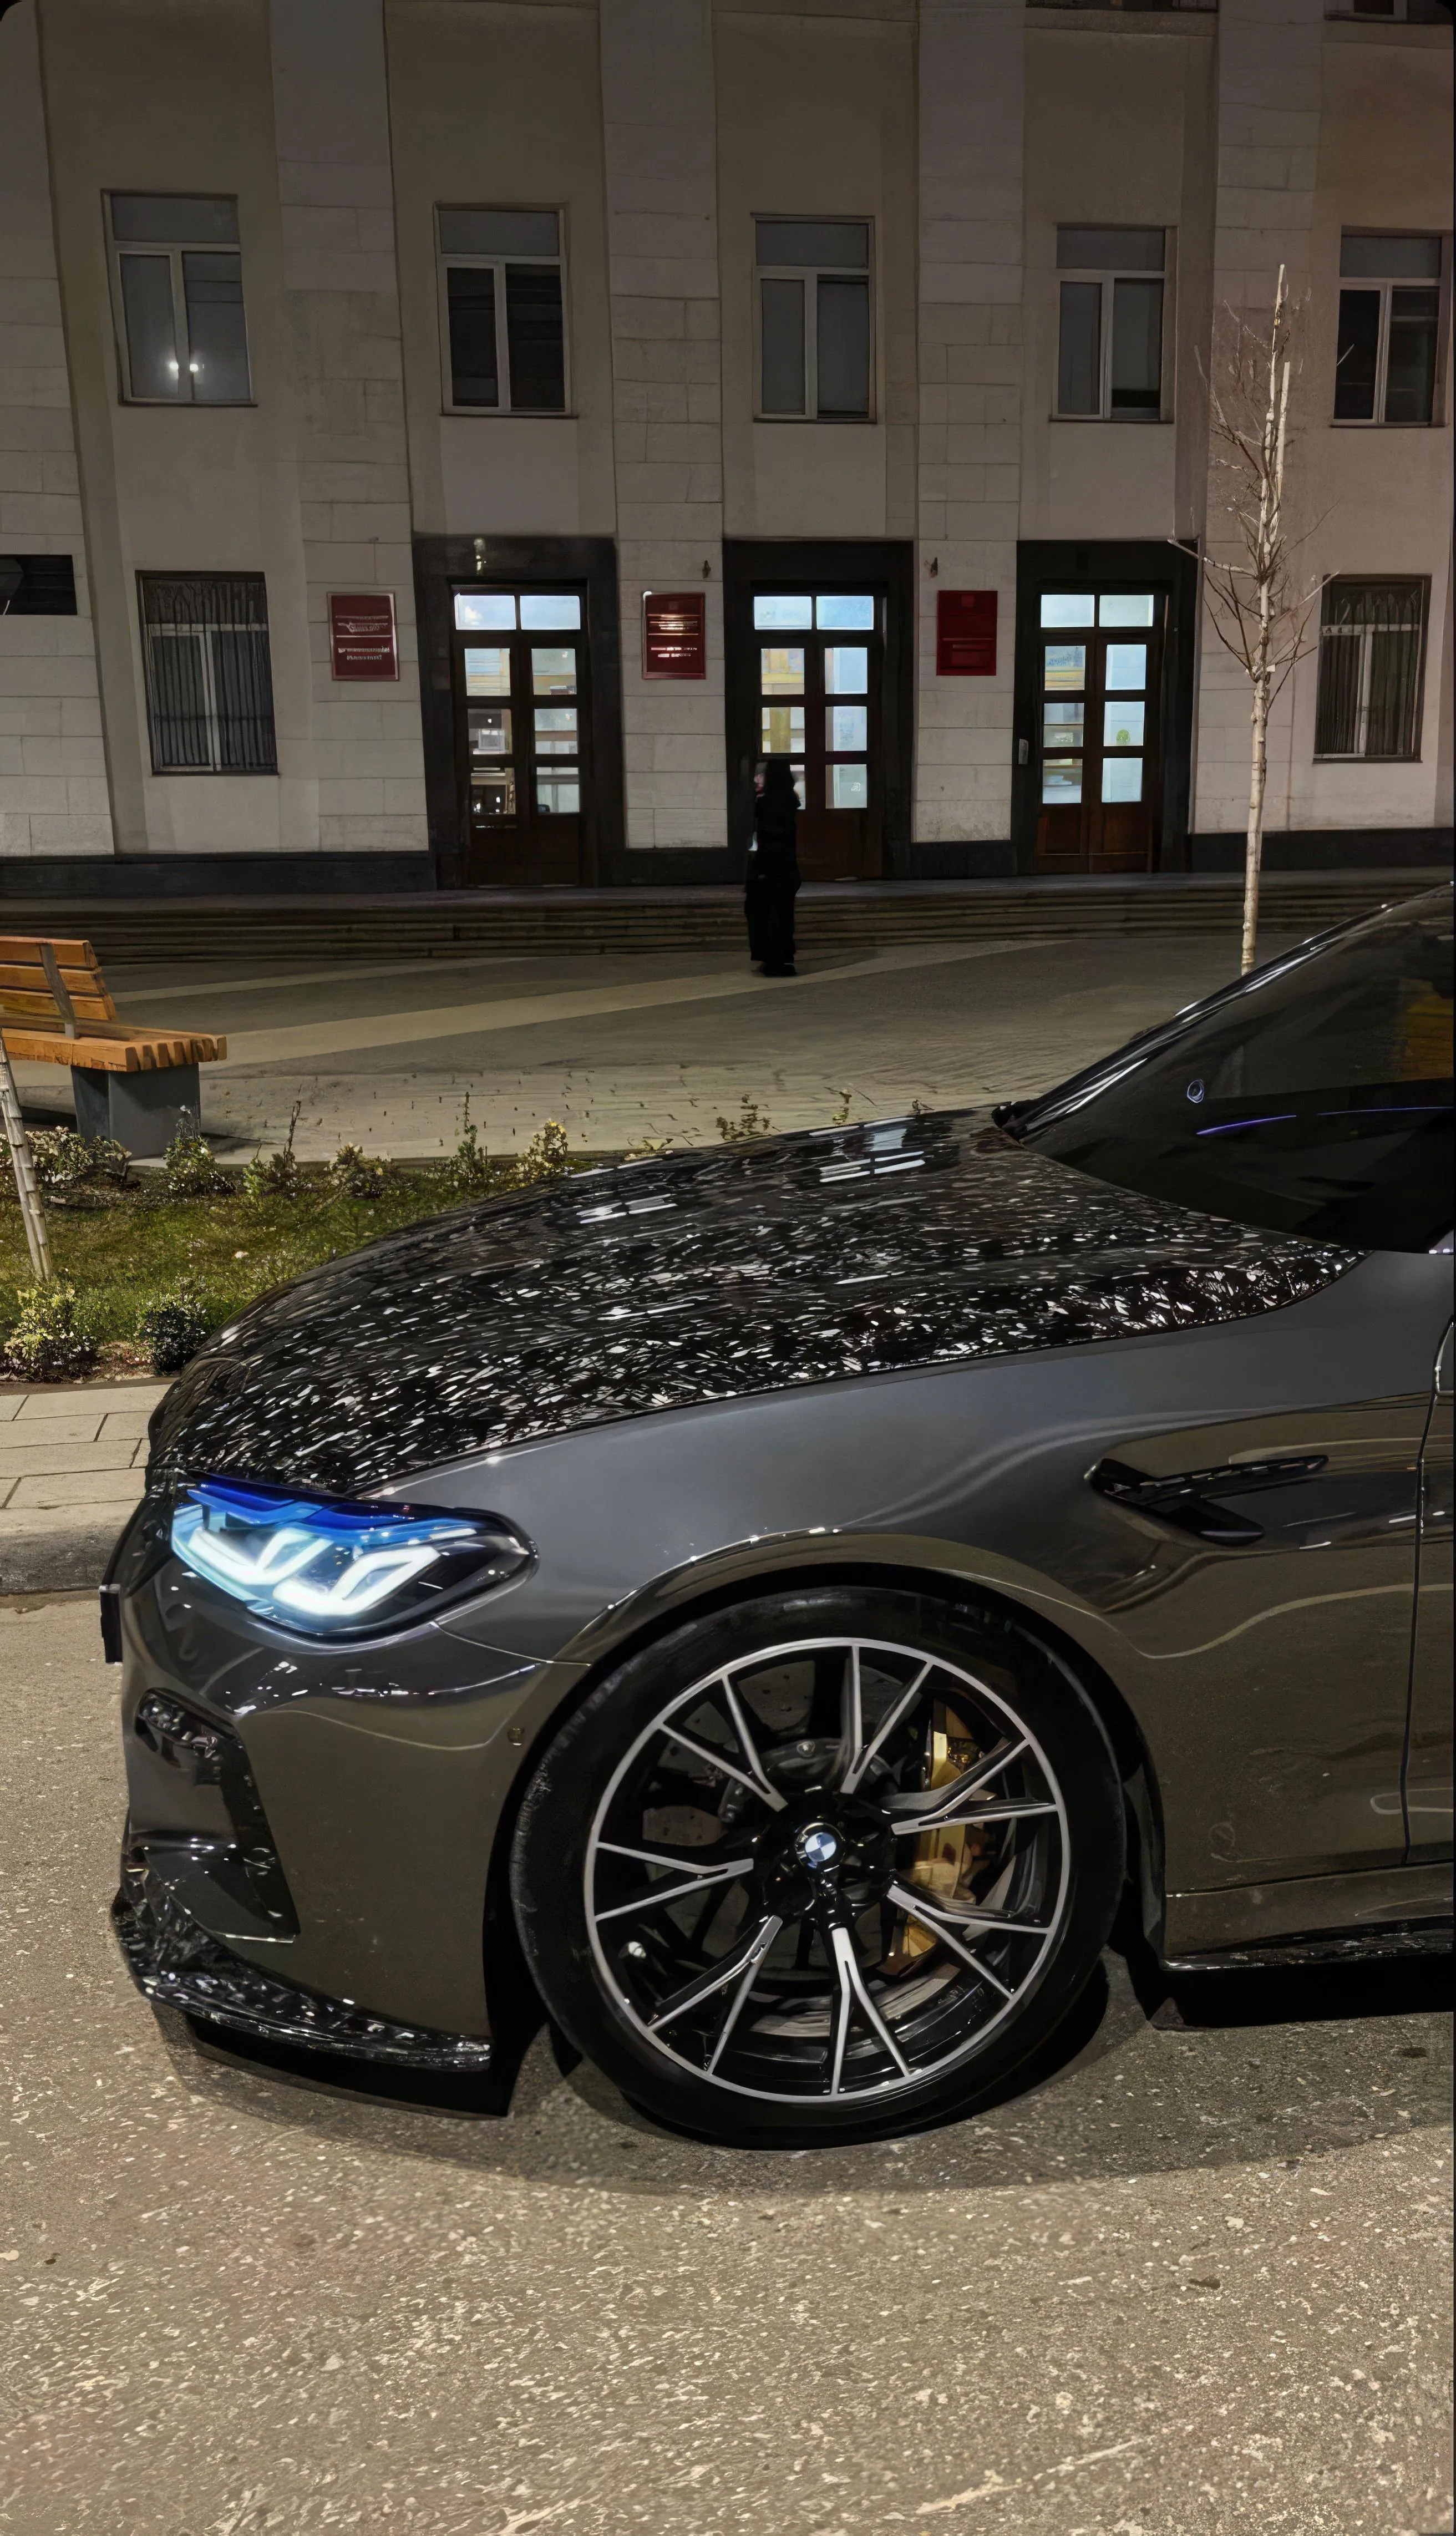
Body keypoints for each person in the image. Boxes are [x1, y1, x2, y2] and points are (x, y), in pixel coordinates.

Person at [744, 755, 800, 977]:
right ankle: (783, 957)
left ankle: (773, 958)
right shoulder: (791, 800)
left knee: (766, 915)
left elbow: (766, 836)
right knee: (784, 916)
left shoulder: (767, 802)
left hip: (769, 868)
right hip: (787, 868)